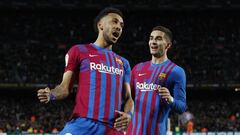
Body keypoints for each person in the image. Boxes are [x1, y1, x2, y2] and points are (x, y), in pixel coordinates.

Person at [37, 7, 134, 135]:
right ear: (101, 25)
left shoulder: (124, 63)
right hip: (82, 125)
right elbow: (64, 88)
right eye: (114, 22)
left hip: (112, 129)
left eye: (121, 25)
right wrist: (51, 94)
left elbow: (128, 98)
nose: (119, 27)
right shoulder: (79, 51)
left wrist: (128, 115)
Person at [126, 26, 186, 135]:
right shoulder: (137, 68)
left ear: (168, 45)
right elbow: (127, 98)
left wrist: (170, 99)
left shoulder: (176, 71)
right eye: (151, 38)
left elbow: (181, 107)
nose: (153, 41)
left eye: (158, 38)